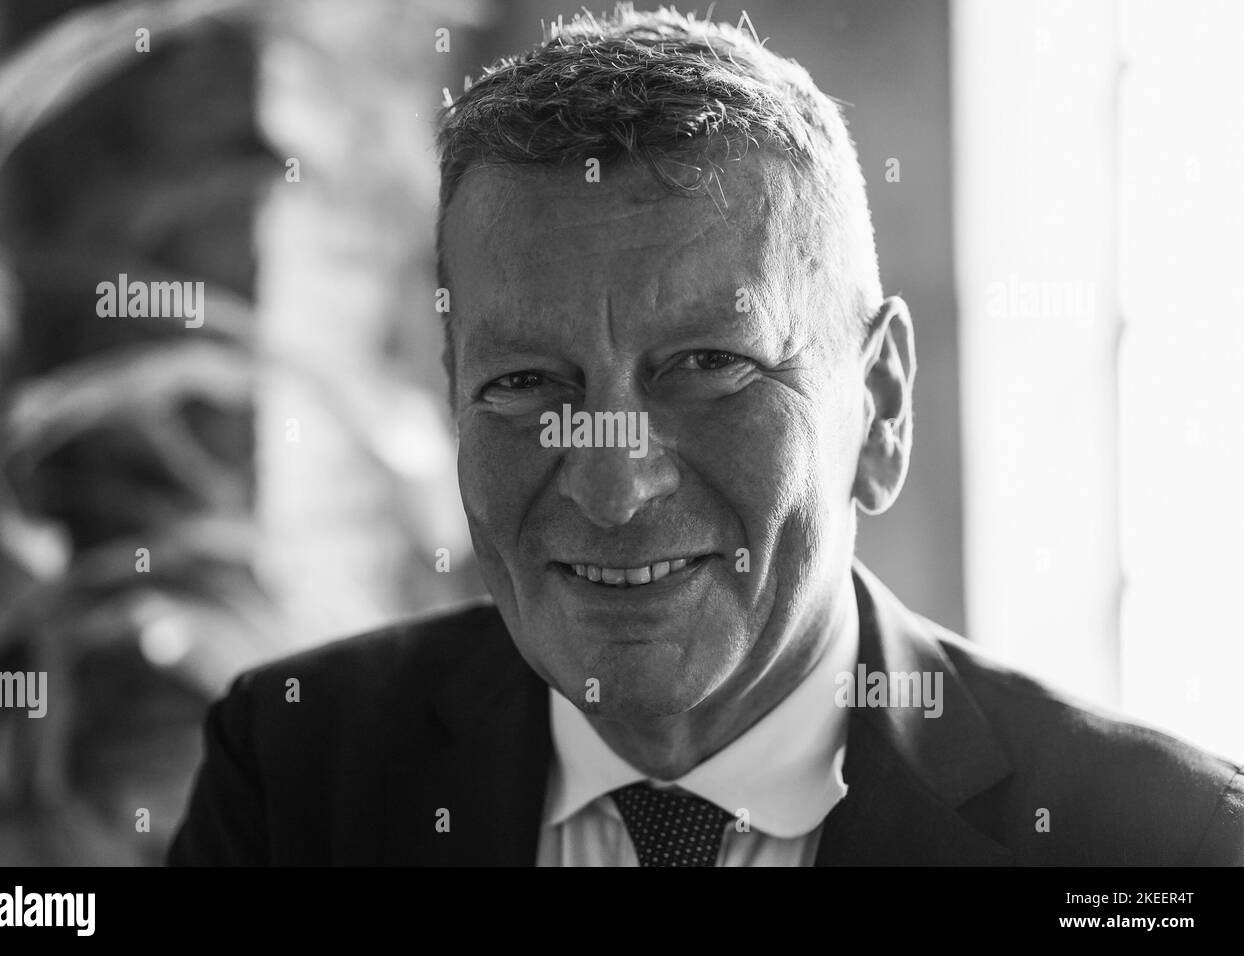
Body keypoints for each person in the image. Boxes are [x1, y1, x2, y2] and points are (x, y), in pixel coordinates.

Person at [168, 6, 1243, 866]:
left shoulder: (1162, 841)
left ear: (880, 405)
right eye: (527, 382)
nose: (611, 483)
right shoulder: (293, 774)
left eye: (707, 366)